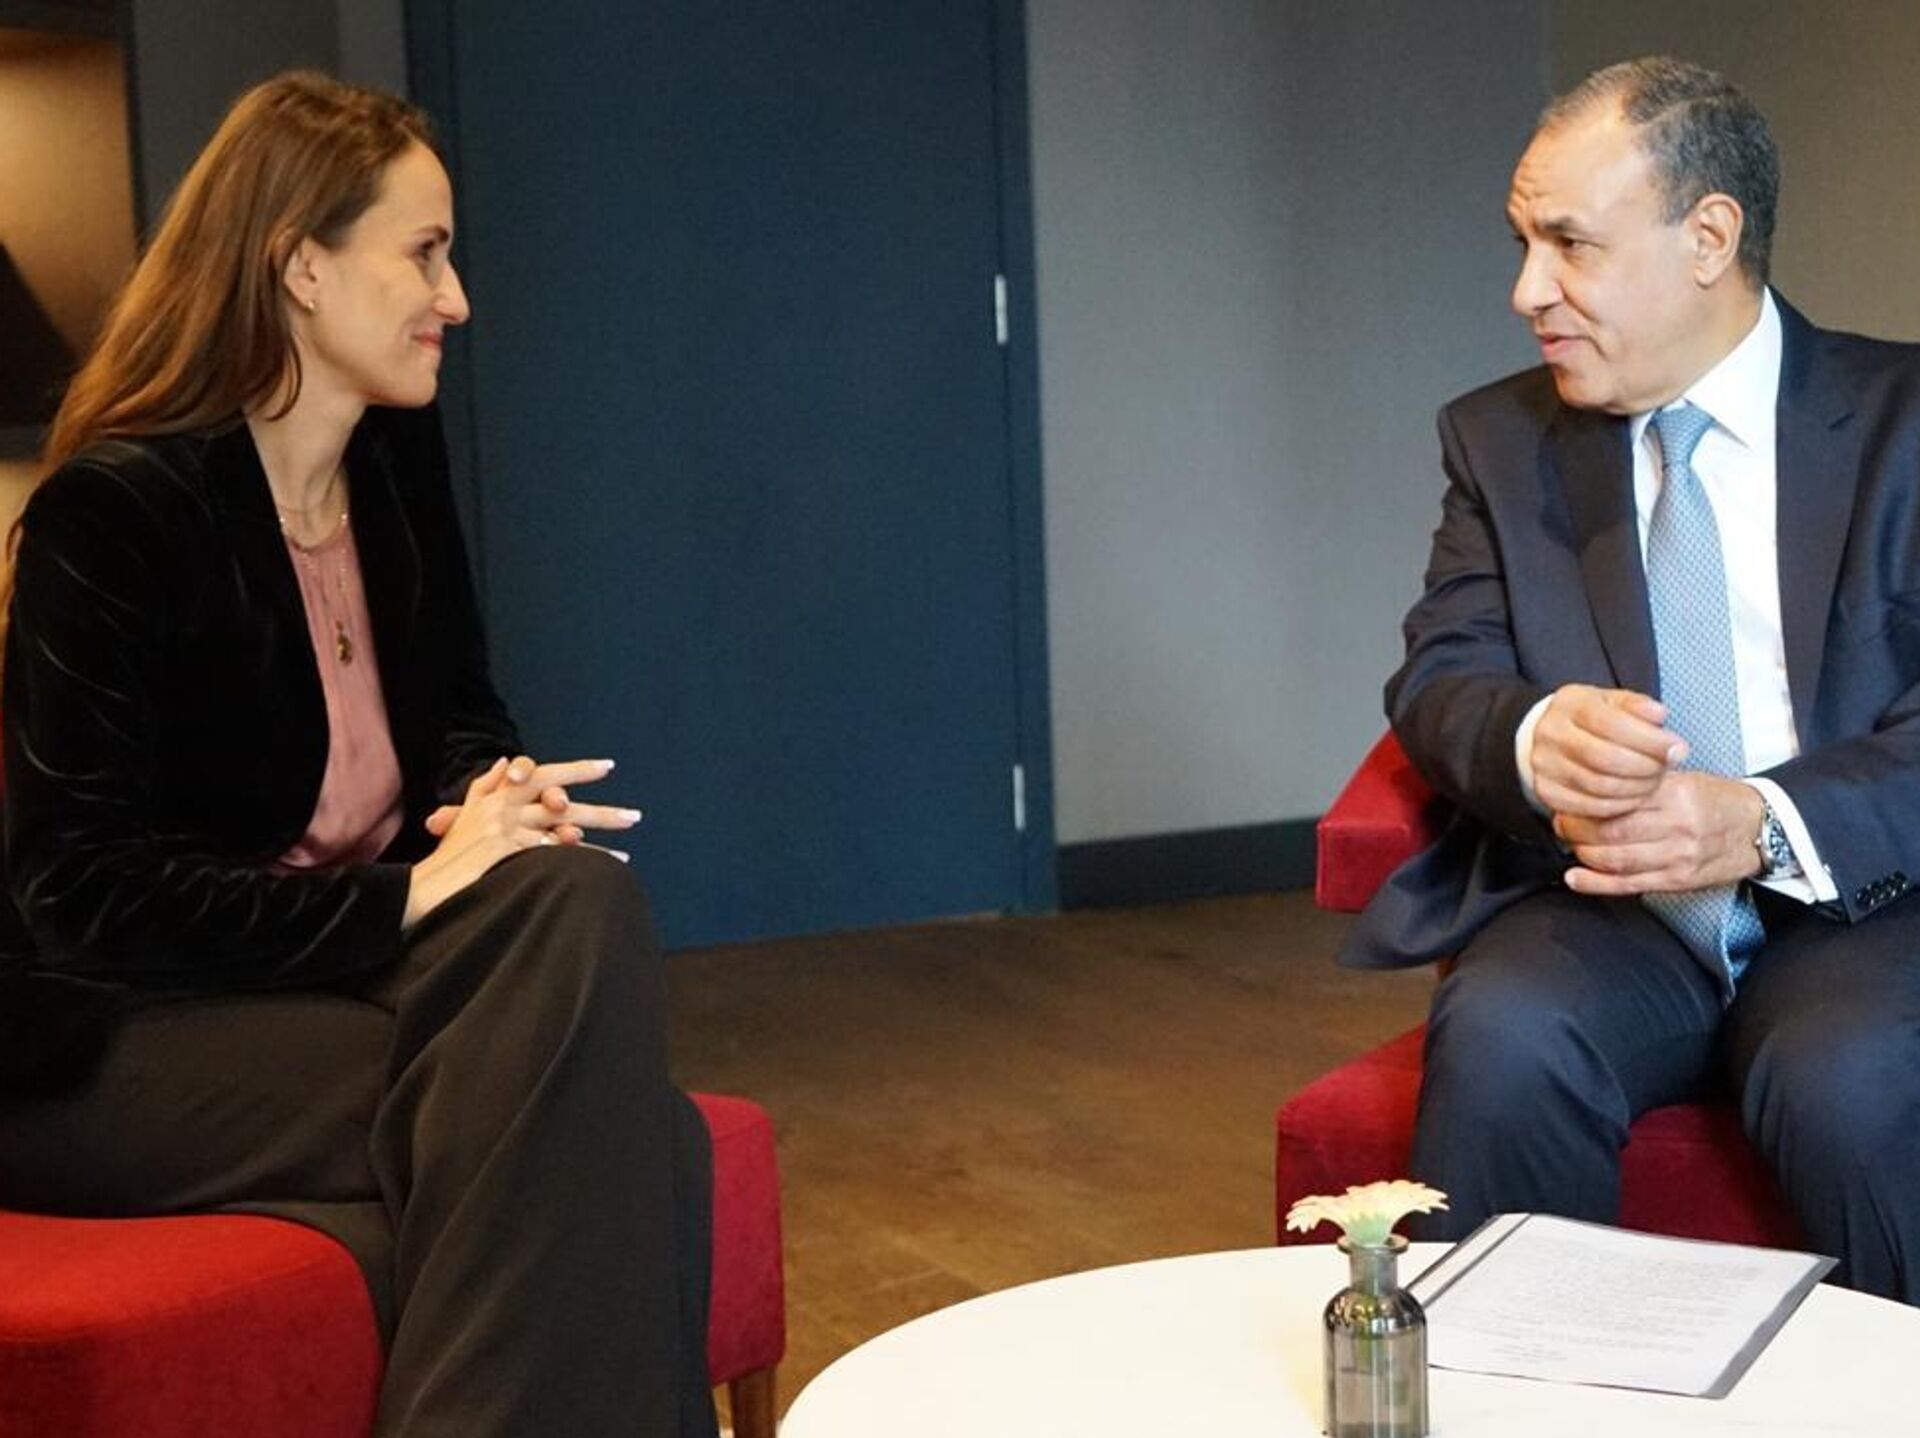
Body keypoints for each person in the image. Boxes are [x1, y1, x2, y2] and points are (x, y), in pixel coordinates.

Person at [0, 71, 720, 1435]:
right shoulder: (117, 516)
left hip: (332, 987)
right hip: (112, 1038)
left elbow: (459, 711)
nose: (459, 300)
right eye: (426, 253)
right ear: (302, 267)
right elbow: (80, 898)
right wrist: (411, 896)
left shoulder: (390, 463)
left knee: (572, 894)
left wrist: (485, 799)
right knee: (646, 1145)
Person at [1341, 55, 1920, 1304]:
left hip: (1865, 906)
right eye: (1522, 244)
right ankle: (1506, 1387)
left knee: (1850, 1076)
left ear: (1708, 238)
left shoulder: (1905, 421)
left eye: (1569, 245)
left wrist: (1763, 819)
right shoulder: (1500, 442)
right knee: (1503, 1034)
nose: (1526, 291)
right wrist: (1532, 733)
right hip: (1612, 908)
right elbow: (1444, 673)